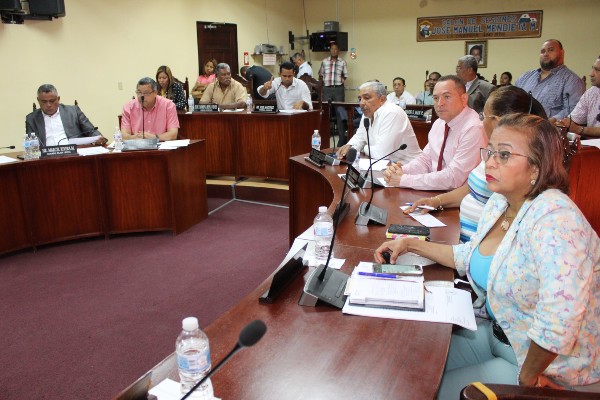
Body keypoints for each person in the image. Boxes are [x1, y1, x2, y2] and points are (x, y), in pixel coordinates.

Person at [375, 113, 600, 398]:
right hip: (498, 334)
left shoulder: (557, 220)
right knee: (406, 367)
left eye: (504, 155)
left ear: (536, 168)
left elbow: (558, 322)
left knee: (425, 391)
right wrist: (410, 244)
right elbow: (471, 254)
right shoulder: (499, 202)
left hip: (544, 367)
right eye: (490, 151)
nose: (489, 162)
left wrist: (527, 379)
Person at [405, 86, 547, 243]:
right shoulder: (493, 150)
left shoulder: (517, 163)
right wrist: (437, 201)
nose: (480, 120)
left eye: (483, 115)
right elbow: (472, 188)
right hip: (464, 242)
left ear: (497, 121)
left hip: (479, 249)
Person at [383, 75, 487, 190]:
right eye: (436, 98)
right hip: (435, 193)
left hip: (458, 200)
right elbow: (425, 160)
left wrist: (404, 180)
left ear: (464, 99)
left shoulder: (473, 128)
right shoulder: (439, 123)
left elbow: (454, 178)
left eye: (447, 97)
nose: (439, 103)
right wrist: (400, 171)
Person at [335, 81, 421, 164]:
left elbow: (381, 154)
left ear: (382, 99)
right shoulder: (367, 113)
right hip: (383, 165)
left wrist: (362, 147)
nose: (361, 103)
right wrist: (350, 145)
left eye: (367, 98)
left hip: (407, 167)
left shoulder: (392, 112)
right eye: (360, 98)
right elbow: (360, 136)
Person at [515, 39, 585, 119]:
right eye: (542, 51)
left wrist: (550, 122)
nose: (545, 54)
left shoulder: (571, 80)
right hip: (519, 127)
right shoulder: (525, 78)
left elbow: (573, 110)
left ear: (562, 53)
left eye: (551, 50)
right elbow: (513, 102)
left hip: (549, 129)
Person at [25, 84, 107, 147]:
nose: (48, 105)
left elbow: (91, 131)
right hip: (46, 159)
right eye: (44, 102)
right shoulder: (31, 119)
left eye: (52, 101)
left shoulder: (73, 111)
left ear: (58, 99)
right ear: (38, 100)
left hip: (74, 154)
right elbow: (31, 144)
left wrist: (99, 139)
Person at [553, 55, 600, 138]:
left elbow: (576, 128)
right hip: (591, 148)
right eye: (593, 68)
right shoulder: (591, 93)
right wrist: (561, 124)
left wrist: (579, 129)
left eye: (597, 70)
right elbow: (572, 122)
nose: (591, 74)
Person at [121, 77, 179, 141]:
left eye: (146, 93)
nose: (141, 96)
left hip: (161, 147)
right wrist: (135, 137)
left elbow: (173, 134)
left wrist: (154, 138)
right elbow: (124, 136)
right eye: (139, 92)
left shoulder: (168, 105)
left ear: (155, 93)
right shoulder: (128, 107)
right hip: (138, 146)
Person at [319, 42, 349, 146]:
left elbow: (345, 75)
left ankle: (341, 142)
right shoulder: (324, 62)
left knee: (340, 114)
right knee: (325, 114)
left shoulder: (342, 62)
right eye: (332, 49)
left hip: (338, 89)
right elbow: (320, 75)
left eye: (336, 49)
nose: (334, 51)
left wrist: (340, 82)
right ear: (330, 50)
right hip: (327, 89)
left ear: (338, 51)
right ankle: (323, 140)